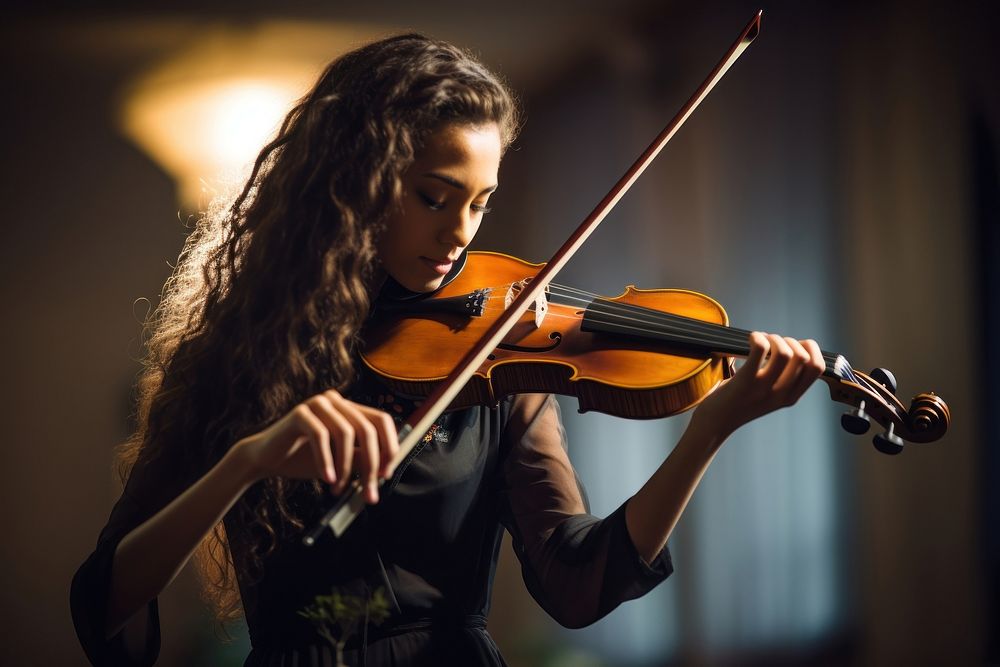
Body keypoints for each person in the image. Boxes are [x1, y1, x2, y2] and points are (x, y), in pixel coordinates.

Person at [71, 33, 826, 666]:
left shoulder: (501, 358)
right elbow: (105, 602)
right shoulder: (235, 360)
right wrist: (246, 461)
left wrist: (707, 429)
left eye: (479, 201)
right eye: (433, 196)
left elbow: (576, 583)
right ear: (356, 182)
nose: (460, 232)